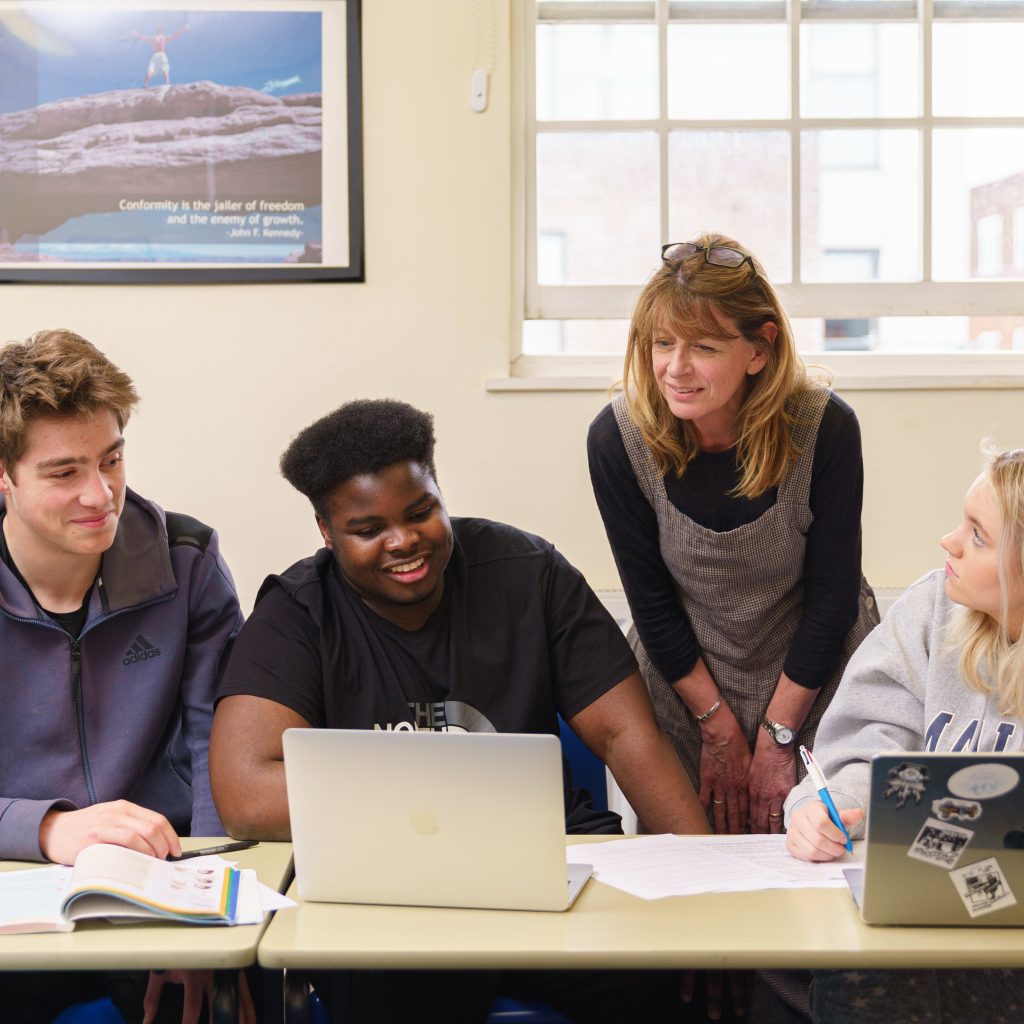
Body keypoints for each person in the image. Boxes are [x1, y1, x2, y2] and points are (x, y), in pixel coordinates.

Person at [211, 398, 712, 1023]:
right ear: (326, 531)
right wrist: (445, 789)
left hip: (550, 865)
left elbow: (626, 735)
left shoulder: (531, 574)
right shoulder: (297, 613)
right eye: (368, 530)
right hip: (389, 895)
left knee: (662, 980)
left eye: (421, 512)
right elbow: (245, 793)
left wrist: (703, 894)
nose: (403, 541)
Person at [587, 232, 879, 838]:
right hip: (686, 679)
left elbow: (833, 599)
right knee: (690, 874)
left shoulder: (825, 427)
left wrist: (779, 737)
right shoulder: (617, 439)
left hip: (815, 672)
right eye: (661, 344)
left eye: (704, 346)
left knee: (815, 857)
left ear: (759, 347)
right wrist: (714, 724)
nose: (675, 367)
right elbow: (650, 602)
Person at [0, 330, 248, 1024]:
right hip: (13, 875)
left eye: (111, 460)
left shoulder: (186, 560)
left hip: (152, 880)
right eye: (64, 472)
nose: (99, 494)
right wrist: (46, 830)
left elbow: (217, 754)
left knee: (216, 1002)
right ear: (4, 474)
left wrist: (199, 914)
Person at [784, 443, 1024, 1023]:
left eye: (978, 536)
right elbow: (863, 747)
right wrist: (827, 810)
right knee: (861, 963)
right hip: (913, 912)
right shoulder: (932, 608)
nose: (949, 542)